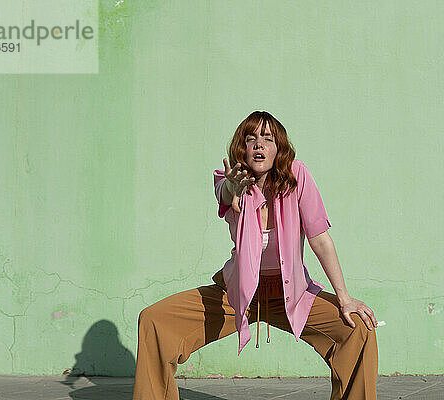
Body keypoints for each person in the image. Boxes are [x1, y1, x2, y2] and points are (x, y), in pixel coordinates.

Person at [132, 111, 378, 400]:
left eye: (267, 139)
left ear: (279, 148)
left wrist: (345, 297)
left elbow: (320, 239)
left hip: (291, 293)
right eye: (251, 139)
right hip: (236, 293)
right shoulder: (230, 180)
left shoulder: (298, 176)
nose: (259, 145)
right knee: (154, 320)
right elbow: (225, 193)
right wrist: (232, 188)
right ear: (242, 149)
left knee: (358, 329)